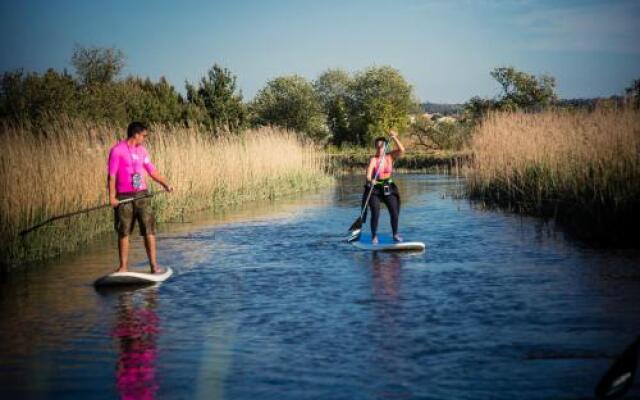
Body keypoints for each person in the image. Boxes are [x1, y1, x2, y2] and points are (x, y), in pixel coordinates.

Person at [107, 122, 173, 274]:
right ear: (135, 134)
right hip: (124, 197)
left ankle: (154, 266)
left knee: (149, 230)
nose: (145, 138)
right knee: (124, 231)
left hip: (142, 195)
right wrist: (112, 197)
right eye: (144, 135)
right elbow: (111, 176)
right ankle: (123, 267)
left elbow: (152, 170)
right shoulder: (117, 151)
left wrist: (165, 184)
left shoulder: (143, 151)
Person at [364, 130, 405, 244]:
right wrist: (371, 180)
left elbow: (402, 150)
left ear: (386, 147)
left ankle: (395, 234)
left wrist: (394, 137)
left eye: (381, 147)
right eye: (377, 147)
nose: (379, 149)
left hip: (388, 186)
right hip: (375, 189)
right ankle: (374, 236)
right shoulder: (373, 159)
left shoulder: (390, 156)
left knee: (394, 212)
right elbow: (368, 175)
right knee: (376, 213)